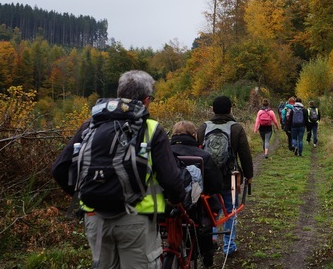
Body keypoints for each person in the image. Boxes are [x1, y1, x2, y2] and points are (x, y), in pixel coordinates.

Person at [52, 70, 186, 269]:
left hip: (95, 219)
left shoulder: (90, 126)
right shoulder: (150, 129)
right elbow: (171, 180)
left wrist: (88, 195)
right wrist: (176, 200)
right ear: (147, 100)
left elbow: (59, 169)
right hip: (136, 220)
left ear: (119, 93)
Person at [196, 95, 253, 256]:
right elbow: (245, 155)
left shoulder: (203, 128)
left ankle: (211, 241)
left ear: (212, 110)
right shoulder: (236, 128)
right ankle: (229, 246)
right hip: (231, 178)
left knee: (212, 212)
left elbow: (197, 153)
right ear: (230, 109)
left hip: (208, 180)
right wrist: (249, 175)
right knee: (231, 210)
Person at [170, 120, 223, 267]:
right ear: (194, 135)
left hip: (167, 202)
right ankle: (207, 250)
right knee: (210, 210)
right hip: (196, 207)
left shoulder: (163, 152)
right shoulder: (203, 155)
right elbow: (216, 185)